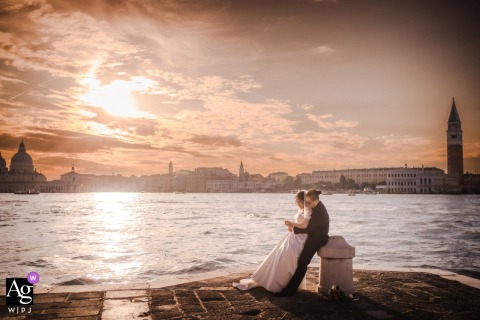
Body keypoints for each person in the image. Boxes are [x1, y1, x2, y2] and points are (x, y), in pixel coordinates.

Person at [233, 190, 311, 293]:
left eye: (297, 200)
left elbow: (305, 225)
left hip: (301, 237)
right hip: (293, 235)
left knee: (288, 255)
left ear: (302, 200)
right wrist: (290, 226)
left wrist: (293, 224)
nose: (296, 202)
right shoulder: (300, 210)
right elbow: (297, 225)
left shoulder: (308, 211)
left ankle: (284, 283)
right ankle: (273, 280)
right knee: (278, 254)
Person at [275, 189, 329, 297]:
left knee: (303, 263)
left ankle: (290, 290)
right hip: (314, 236)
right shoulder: (317, 206)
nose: (307, 205)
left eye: (309, 202)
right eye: (306, 202)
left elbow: (309, 229)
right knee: (301, 262)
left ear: (315, 200)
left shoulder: (319, 211)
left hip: (317, 239)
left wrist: (294, 228)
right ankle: (290, 288)